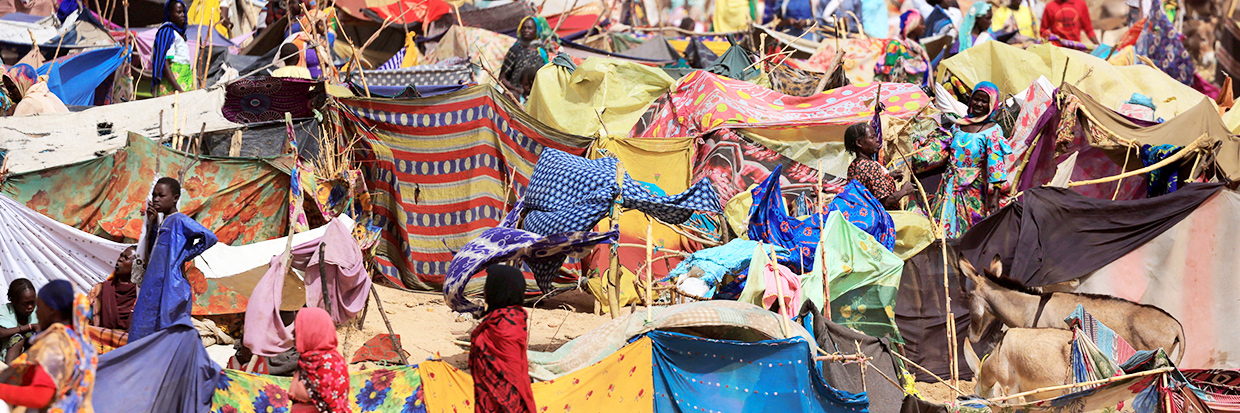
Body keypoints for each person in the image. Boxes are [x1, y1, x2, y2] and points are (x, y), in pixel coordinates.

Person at [902, 81, 1012, 238]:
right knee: (943, 226)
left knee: (971, 229)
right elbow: (945, 153)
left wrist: (995, 197)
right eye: (976, 99)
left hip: (973, 188)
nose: (979, 104)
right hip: (949, 186)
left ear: (992, 104)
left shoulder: (992, 131)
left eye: (984, 101)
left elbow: (996, 165)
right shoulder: (958, 126)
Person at [128, 177, 218, 342]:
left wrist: (184, 255)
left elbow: (209, 237)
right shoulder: (163, 222)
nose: (156, 199)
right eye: (154, 195)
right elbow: (152, 252)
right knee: (144, 326)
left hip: (169, 284)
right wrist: (152, 224)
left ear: (175, 198)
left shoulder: (179, 220)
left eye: (161, 195)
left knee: (166, 329)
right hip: (153, 284)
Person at [0, 280, 97, 412]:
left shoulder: (56, 342)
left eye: (38, 307)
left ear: (50, 309)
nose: (36, 313)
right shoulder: (81, 339)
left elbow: (40, 396)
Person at [469, 265, 535, 413]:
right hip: (491, 402)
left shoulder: (504, 325)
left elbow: (509, 375)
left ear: (498, 290)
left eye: (489, 286)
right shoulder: (512, 318)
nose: (485, 291)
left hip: (507, 406)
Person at [288, 308, 350, 413]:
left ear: (312, 331)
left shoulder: (330, 364)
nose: (293, 333)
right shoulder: (306, 360)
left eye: (299, 329)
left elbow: (335, 408)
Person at [844, 123, 916, 210]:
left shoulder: (854, 166)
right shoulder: (871, 166)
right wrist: (904, 191)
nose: (877, 140)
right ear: (859, 143)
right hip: (881, 220)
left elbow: (868, 186)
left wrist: (887, 177)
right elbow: (885, 202)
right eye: (872, 137)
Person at [499, 16, 555, 98]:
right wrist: (516, 90)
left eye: (529, 28)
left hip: (535, 96)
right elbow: (502, 78)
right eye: (524, 28)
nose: (526, 31)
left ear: (536, 31)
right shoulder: (515, 50)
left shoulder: (541, 51)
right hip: (515, 95)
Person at [88, 246, 139, 331]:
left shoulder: (142, 295)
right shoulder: (100, 289)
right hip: (97, 341)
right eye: (121, 256)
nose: (120, 259)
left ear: (137, 265)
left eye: (126, 258)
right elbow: (81, 317)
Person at [875, 10, 931, 86]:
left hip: (918, 91)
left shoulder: (920, 47)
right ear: (912, 25)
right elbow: (890, 73)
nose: (924, 27)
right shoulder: (895, 45)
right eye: (921, 24)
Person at [151, 0, 194, 97]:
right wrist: (178, 89)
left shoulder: (179, 34)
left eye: (183, 12)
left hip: (184, 81)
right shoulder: (167, 32)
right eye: (178, 12)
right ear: (170, 14)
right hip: (174, 85)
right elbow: (165, 64)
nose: (182, 15)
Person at [0, 279, 38, 363]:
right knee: (18, 338)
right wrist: (30, 326)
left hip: (31, 357)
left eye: (33, 302)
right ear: (13, 301)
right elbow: (1, 333)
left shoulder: (38, 311)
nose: (30, 307)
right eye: (26, 303)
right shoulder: (4, 311)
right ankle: (9, 372)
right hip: (5, 357)